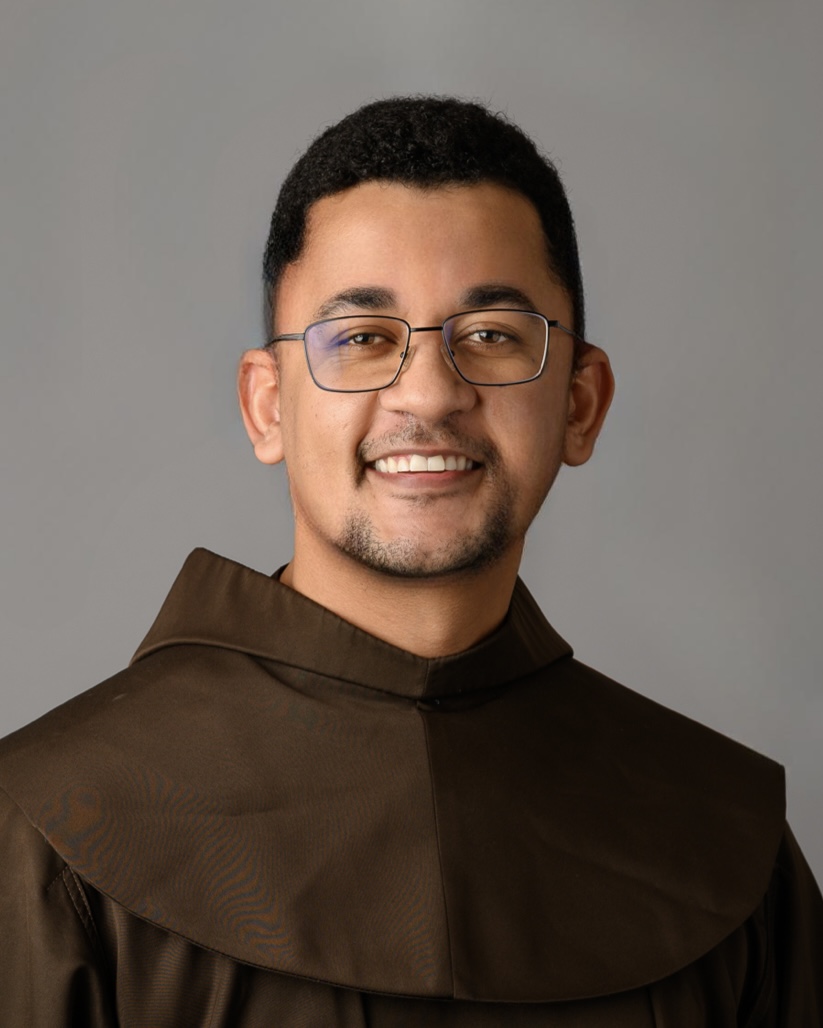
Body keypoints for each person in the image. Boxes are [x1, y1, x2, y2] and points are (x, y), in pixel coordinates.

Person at [0, 96, 820, 1026]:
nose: (427, 393)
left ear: (580, 404)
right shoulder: (49, 829)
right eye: (360, 340)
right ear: (268, 406)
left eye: (491, 337)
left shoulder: (723, 845)